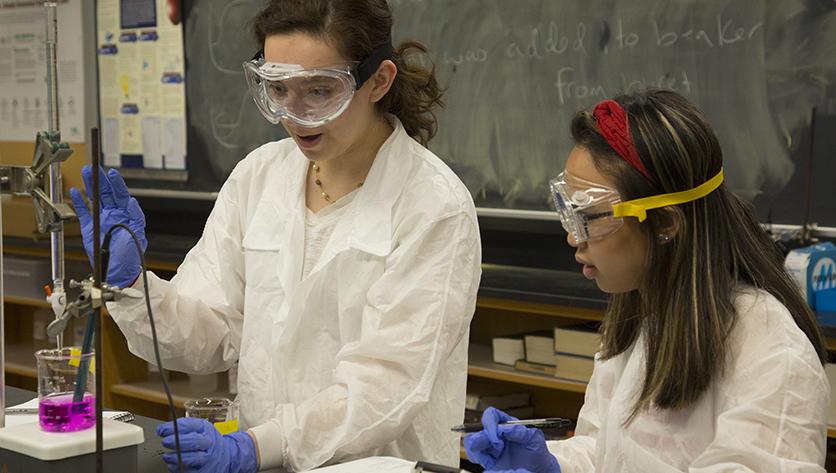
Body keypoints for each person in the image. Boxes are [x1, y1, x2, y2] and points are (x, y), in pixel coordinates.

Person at [71, 0, 482, 471]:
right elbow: (208, 335)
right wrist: (130, 287)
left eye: (319, 91)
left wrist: (255, 446)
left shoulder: (434, 206)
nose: (294, 112)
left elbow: (386, 388)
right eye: (278, 89)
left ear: (379, 81)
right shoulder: (259, 177)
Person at [464, 90, 829, 473]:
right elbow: (606, 450)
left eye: (591, 215)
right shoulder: (640, 317)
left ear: (667, 223)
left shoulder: (770, 349)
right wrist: (554, 465)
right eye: (569, 212)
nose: (574, 237)